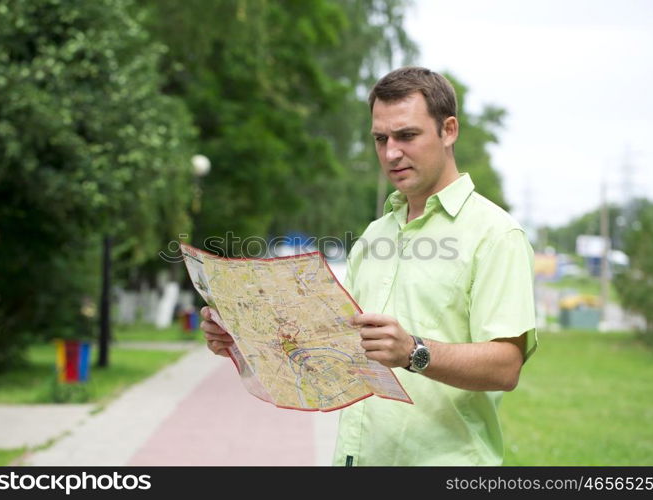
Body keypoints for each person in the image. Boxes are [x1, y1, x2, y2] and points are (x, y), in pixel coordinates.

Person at [201, 66, 537, 466]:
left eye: (407, 135)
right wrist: (247, 341)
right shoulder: (376, 234)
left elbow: (505, 366)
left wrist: (415, 351)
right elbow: (338, 354)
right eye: (381, 138)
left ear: (449, 131)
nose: (392, 152)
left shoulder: (496, 234)